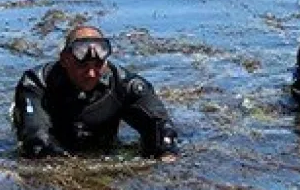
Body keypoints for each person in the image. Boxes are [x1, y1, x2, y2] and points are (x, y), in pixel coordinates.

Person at [12, 25, 179, 159]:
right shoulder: (36, 83)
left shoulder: (126, 86)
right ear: (64, 60)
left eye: (97, 65)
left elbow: (162, 129)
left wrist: (164, 157)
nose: (91, 74)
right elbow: (36, 138)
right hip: (55, 147)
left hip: (105, 149)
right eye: (82, 66)